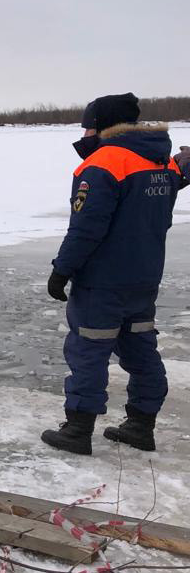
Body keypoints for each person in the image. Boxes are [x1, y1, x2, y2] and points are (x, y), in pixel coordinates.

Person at [41, 94, 189, 455]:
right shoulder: (156, 159)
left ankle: (77, 430)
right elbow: (175, 176)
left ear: (104, 125)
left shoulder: (104, 163)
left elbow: (87, 228)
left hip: (102, 283)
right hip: (144, 280)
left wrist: (62, 270)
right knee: (141, 350)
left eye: (88, 126)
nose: (84, 133)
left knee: (88, 351)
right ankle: (141, 425)